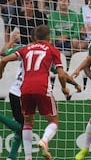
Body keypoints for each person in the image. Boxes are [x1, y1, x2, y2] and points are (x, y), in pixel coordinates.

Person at [0, 31, 80, 160]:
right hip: (36, 89)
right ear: (48, 38)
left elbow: (3, 55)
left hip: (21, 90)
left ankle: (19, 157)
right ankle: (39, 143)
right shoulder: (49, 51)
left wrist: (11, 41)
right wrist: (70, 86)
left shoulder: (24, 49)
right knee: (36, 124)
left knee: (25, 124)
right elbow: (60, 73)